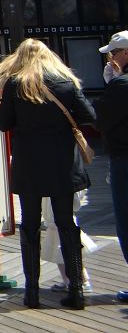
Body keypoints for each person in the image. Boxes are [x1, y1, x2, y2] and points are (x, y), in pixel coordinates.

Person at [0, 37, 96, 310]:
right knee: (66, 225)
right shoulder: (66, 82)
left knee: (30, 226)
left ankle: (32, 292)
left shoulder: (15, 85)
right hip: (62, 164)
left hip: (30, 165)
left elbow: (3, 124)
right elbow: (88, 115)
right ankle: (76, 291)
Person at [92, 31, 128, 303]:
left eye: (112, 53)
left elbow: (101, 119)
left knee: (126, 221)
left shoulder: (121, 85)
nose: (109, 58)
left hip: (124, 160)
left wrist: (111, 84)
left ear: (124, 53)